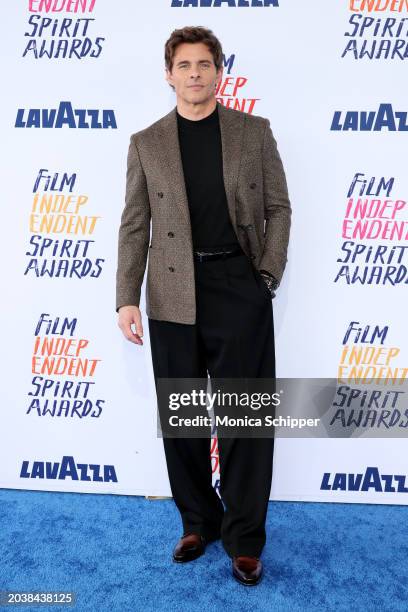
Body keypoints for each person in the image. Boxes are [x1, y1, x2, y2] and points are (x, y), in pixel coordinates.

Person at [116, 25, 291, 586]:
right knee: (183, 418)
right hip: (171, 291)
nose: (195, 73)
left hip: (238, 287)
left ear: (220, 71)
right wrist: (125, 296)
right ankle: (198, 522)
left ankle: (244, 538)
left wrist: (265, 274)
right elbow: (133, 224)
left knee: (244, 418)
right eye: (184, 65)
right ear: (169, 74)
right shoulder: (146, 143)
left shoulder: (253, 132)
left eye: (204, 64)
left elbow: (279, 208)